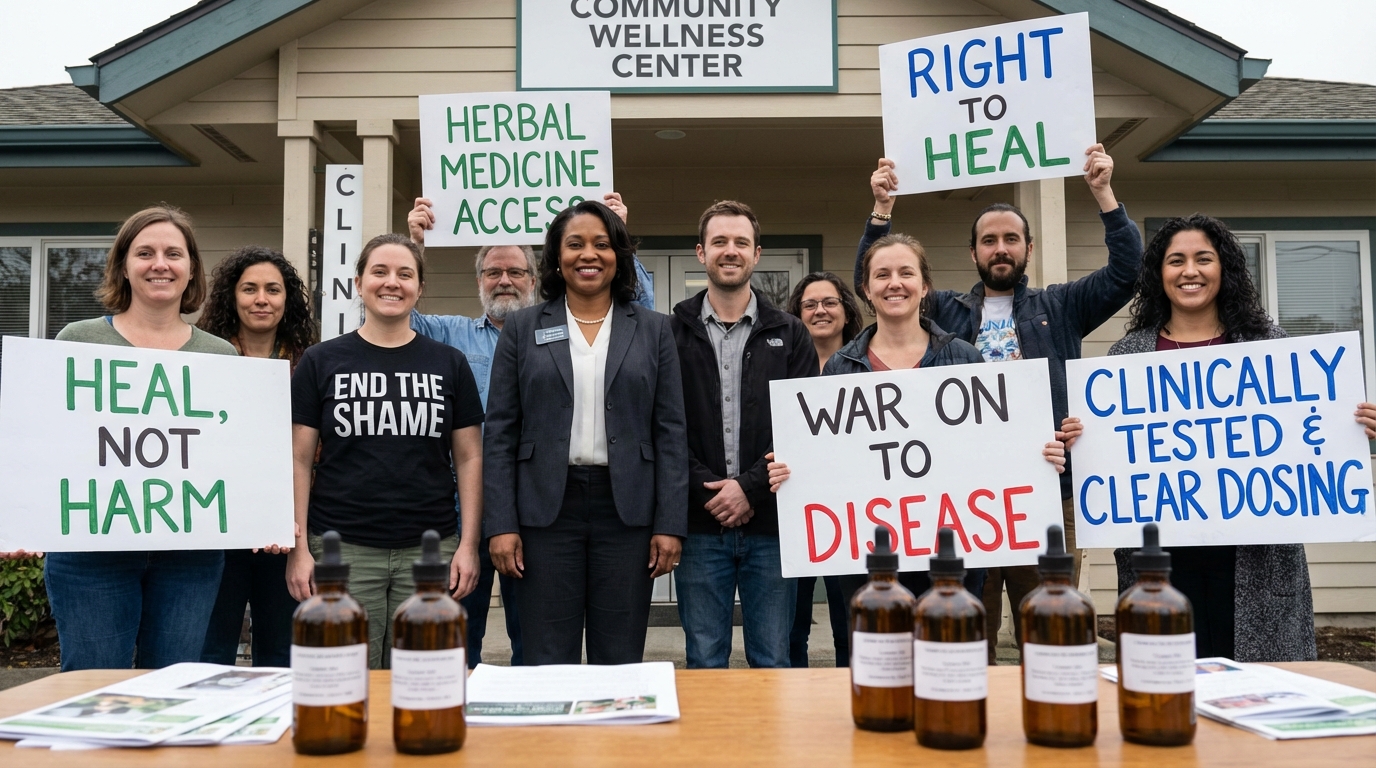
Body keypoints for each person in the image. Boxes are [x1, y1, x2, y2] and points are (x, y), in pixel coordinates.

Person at [857, 145, 1137, 658]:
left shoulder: (1061, 305)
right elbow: (874, 283)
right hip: (966, 497)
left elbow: (1127, 272)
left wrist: (1103, 192)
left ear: (1028, 247)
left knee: (1046, 625)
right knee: (969, 626)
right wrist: (882, 212)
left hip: (1049, 488)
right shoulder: (944, 310)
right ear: (973, 254)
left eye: (1011, 239)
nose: (1000, 248)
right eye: (989, 241)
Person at [1060, 214, 1376, 661]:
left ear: (1224, 268)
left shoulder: (1270, 346)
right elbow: (1112, 451)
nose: (1190, 271)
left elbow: (1308, 430)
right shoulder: (1126, 357)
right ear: (1158, 275)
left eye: (1203, 259)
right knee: (1166, 687)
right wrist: (1082, 440)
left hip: (1253, 558)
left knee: (1258, 689)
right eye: (1176, 261)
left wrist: (1350, 425)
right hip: (1161, 555)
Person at [404, 192, 655, 666]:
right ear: (478, 280)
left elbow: (638, 312)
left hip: (540, 507)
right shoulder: (451, 333)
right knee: (459, 642)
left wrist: (618, 237)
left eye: (515, 271)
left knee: (535, 645)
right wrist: (417, 245)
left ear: (535, 276)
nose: (504, 280)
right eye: (492, 272)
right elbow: (398, 313)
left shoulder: (558, 327)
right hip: (464, 509)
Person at [769, 233, 1068, 617]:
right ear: (866, 288)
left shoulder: (963, 358)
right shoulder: (841, 367)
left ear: (924, 285)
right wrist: (793, 469)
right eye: (882, 275)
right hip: (868, 559)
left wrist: (1037, 454)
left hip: (954, 555)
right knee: (881, 661)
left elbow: (993, 447)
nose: (894, 283)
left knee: (952, 659)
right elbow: (829, 459)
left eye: (906, 272)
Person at [32, 205, 238, 670]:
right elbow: (43, 442)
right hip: (90, 554)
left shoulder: (221, 355)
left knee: (172, 691)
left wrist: (263, 515)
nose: (159, 264)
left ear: (191, 270)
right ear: (124, 265)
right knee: (90, 692)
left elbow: (234, 457)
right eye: (145, 253)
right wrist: (24, 515)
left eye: (173, 253)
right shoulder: (77, 341)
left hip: (190, 558)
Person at [484, 199, 688, 665]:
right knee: (544, 655)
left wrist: (670, 523)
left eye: (601, 243)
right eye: (575, 244)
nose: (588, 254)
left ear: (619, 255)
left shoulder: (656, 330)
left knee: (618, 656)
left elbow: (672, 431)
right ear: (557, 256)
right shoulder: (522, 327)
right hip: (544, 513)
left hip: (628, 512)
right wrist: (501, 524)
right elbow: (499, 432)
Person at [287, 233, 484, 669]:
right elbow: (299, 459)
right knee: (346, 676)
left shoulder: (450, 363)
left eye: (405, 274)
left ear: (419, 287)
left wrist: (469, 544)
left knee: (425, 676)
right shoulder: (321, 362)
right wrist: (298, 548)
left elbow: (470, 457)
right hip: (342, 549)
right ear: (358, 283)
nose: (391, 283)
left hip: (431, 551)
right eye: (379, 272)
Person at [670, 200, 817, 670]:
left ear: (757, 254)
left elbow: (801, 427)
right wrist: (711, 491)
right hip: (699, 526)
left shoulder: (791, 334)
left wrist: (748, 488)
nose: (729, 251)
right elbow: (664, 426)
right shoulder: (669, 333)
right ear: (700, 252)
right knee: (704, 660)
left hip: (771, 526)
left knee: (772, 660)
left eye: (739, 243)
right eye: (719, 242)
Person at [196, 245, 316, 667]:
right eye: (249, 289)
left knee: (282, 652)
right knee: (210, 648)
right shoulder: (202, 356)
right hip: (215, 521)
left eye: (273, 289)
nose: (261, 299)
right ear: (232, 296)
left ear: (288, 300)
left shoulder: (310, 362)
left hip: (286, 527)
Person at [782, 272, 864, 667]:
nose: (820, 311)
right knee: (790, 628)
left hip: (852, 515)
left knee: (850, 624)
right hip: (792, 514)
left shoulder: (867, 365)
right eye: (809, 304)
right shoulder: (779, 367)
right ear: (797, 316)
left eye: (829, 302)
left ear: (846, 312)